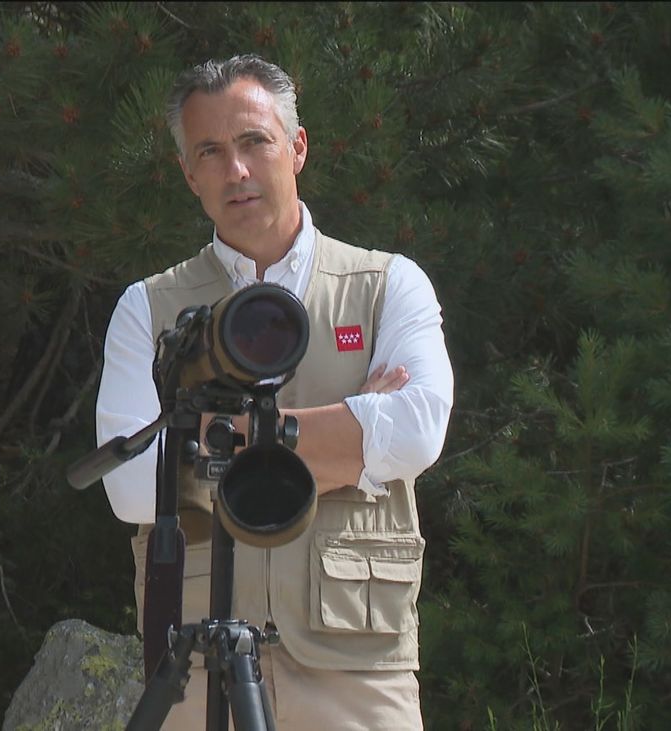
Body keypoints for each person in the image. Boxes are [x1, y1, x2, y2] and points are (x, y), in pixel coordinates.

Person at [96, 55, 454, 729]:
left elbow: (416, 431)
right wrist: (351, 435)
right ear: (187, 173)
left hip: (353, 663)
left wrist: (198, 433)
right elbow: (132, 486)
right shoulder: (146, 308)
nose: (236, 170)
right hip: (195, 665)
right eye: (210, 150)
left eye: (254, 141)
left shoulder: (387, 286)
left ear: (298, 147)